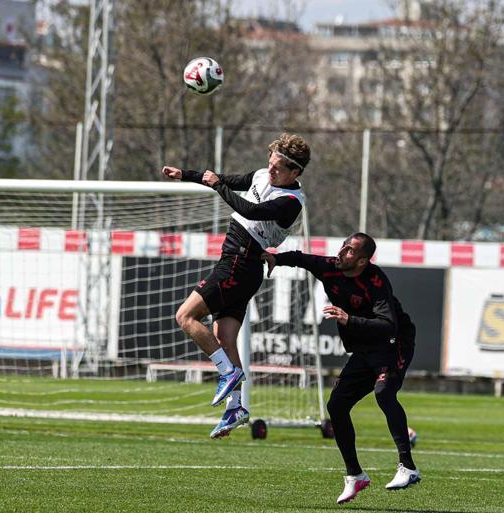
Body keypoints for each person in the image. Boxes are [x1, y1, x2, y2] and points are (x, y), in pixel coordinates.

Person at [161, 133, 311, 439]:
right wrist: (185, 174)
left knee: (185, 316)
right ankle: (236, 407)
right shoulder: (262, 175)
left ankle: (228, 372)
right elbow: (226, 179)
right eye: (270, 162)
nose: (271, 170)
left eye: (278, 167)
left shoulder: (292, 202)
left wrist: (218, 185)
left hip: (239, 264)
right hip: (244, 265)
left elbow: (250, 210)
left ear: (295, 172)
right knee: (225, 339)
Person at [261, 233, 420, 504]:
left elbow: (388, 325)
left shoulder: (376, 280)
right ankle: (355, 475)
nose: (342, 252)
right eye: (343, 246)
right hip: (364, 349)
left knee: (384, 392)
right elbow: (301, 259)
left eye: (349, 250)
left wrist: (349, 319)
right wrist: (276, 259)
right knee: (336, 406)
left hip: (394, 344)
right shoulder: (331, 267)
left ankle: (408, 467)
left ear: (362, 261)